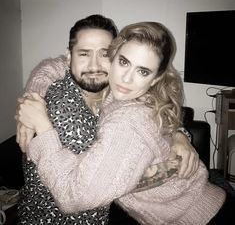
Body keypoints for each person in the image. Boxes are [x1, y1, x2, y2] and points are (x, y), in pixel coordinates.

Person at [17, 21, 227, 224]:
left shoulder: (126, 120)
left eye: (142, 71)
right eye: (124, 62)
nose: (126, 79)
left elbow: (73, 196)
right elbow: (57, 64)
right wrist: (32, 97)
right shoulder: (121, 93)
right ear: (114, 58)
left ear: (154, 79)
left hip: (200, 216)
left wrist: (43, 127)